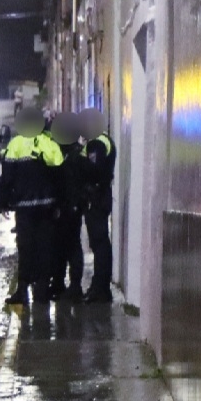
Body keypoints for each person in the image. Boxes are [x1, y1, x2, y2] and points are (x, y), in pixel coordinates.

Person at [0, 107, 64, 305]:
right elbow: (60, 176)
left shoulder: (15, 145)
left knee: (25, 248)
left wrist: (2, 202)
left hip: (24, 208)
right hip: (46, 208)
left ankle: (23, 290)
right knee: (44, 248)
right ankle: (42, 291)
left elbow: (7, 177)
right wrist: (59, 203)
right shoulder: (49, 143)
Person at [48, 112, 87, 302]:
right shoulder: (68, 152)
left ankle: (73, 286)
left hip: (70, 207)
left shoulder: (73, 155)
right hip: (67, 206)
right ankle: (60, 283)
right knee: (61, 245)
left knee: (70, 246)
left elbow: (70, 183)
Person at [79, 108, 116, 303]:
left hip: (96, 197)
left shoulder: (96, 144)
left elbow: (95, 171)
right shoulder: (104, 140)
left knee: (99, 243)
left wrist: (79, 162)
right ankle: (100, 286)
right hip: (100, 195)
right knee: (99, 243)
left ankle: (100, 288)